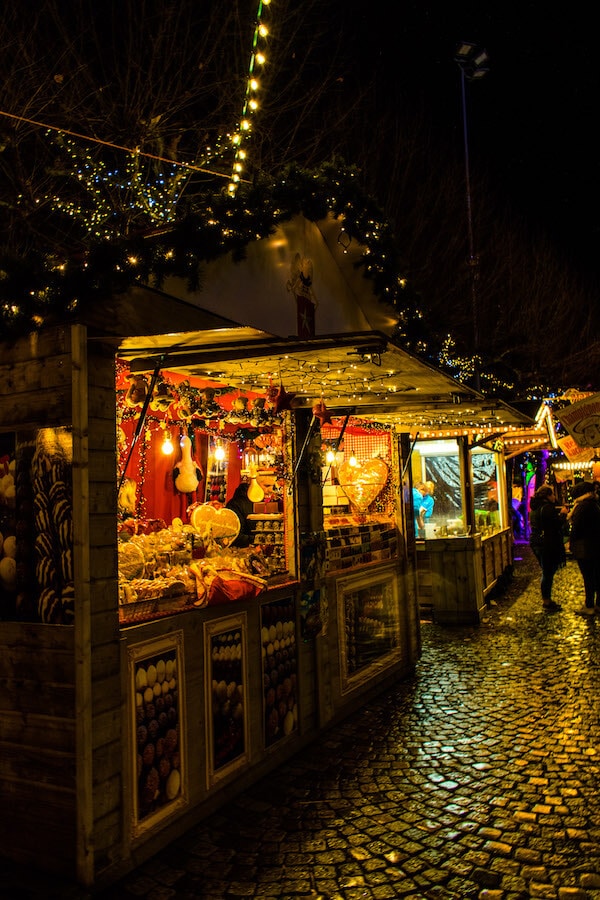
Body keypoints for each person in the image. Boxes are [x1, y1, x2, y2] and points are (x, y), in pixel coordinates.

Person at [529, 484, 568, 611]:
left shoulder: (535, 508)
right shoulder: (547, 508)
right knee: (548, 572)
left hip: (536, 542)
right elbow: (556, 525)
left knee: (546, 571)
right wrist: (563, 515)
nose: (554, 496)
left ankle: (547, 599)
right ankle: (546, 601)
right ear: (547, 495)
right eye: (552, 494)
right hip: (547, 543)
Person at [568, 481, 600, 616]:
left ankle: (589, 605)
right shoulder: (594, 504)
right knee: (596, 575)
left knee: (588, 576)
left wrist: (571, 542)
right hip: (595, 545)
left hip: (585, 547)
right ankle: (598, 604)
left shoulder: (582, 507)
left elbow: (577, 528)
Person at [226, 482, 254, 547]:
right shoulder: (236, 504)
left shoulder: (234, 503)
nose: (270, 490)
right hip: (244, 549)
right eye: (266, 486)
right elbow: (235, 534)